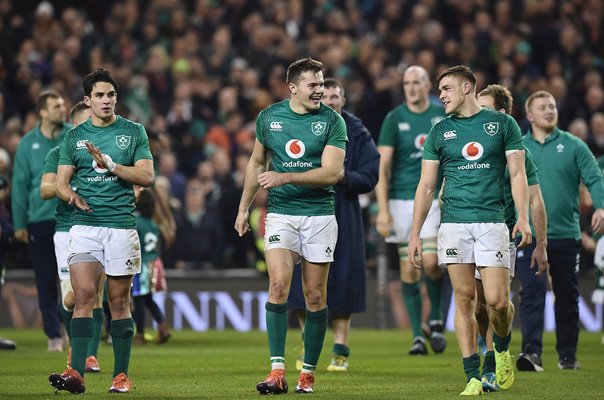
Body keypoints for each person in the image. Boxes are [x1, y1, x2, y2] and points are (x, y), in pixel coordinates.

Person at [408, 65, 531, 396]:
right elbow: (426, 185)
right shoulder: (439, 132)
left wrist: (523, 217)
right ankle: (474, 375)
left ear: (466, 88)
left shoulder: (503, 124)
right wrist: (415, 233)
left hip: (493, 221)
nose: (441, 95)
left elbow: (518, 175)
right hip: (453, 223)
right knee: (464, 300)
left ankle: (501, 349)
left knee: (497, 302)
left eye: (446, 89)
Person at [234, 58, 347, 394]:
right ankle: (277, 371)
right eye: (313, 85)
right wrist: (244, 207)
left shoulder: (332, 121)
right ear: (293, 87)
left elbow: (331, 173)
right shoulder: (269, 118)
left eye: (322, 84)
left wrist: (285, 176)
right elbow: (256, 161)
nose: (320, 91)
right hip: (282, 213)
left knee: (315, 296)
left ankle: (307, 373)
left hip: (319, 215)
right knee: (279, 286)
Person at [48, 67, 154, 394]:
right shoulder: (74, 137)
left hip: (120, 226)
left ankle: (120, 375)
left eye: (110, 95)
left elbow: (146, 177)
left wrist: (110, 166)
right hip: (84, 228)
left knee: (118, 303)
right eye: (99, 95)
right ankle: (75, 372)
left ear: (116, 98)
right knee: (82, 296)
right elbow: (61, 183)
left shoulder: (134, 132)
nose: (106, 100)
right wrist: (71, 196)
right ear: (87, 100)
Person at [288, 78, 380, 371]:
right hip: (307, 207)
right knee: (302, 278)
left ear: (343, 100)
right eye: (324, 95)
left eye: (335, 96)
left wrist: (344, 177)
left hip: (343, 210)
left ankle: (341, 347)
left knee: (344, 274)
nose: (329, 100)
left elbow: (371, 175)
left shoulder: (357, 132)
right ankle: (306, 340)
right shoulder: (302, 124)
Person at [517, 90, 604, 371]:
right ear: (529, 115)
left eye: (552, 106)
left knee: (567, 295)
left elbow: (594, 177)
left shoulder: (574, 145)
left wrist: (601, 206)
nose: (549, 110)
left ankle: (567, 355)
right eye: (542, 107)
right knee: (532, 292)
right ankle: (531, 353)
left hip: (565, 232)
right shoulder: (517, 148)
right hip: (528, 234)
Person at [473, 85, 549, 391]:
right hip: (470, 230)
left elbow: (536, 200)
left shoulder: (520, 153)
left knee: (497, 303)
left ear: (502, 115)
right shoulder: (471, 146)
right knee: (480, 308)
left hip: (502, 234)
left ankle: (494, 359)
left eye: (485, 110)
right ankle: (493, 347)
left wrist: (541, 244)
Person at [375, 65, 447, 355]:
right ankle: (418, 335)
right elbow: (383, 166)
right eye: (407, 83)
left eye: (417, 82)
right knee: (408, 268)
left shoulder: (441, 116)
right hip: (400, 201)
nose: (412, 88)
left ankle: (437, 318)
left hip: (432, 198)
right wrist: (382, 209)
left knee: (430, 262)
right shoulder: (394, 119)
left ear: (427, 84)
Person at [41, 101, 104, 373]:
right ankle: (74, 345)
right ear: (75, 125)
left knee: (97, 295)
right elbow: (45, 189)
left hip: (100, 225)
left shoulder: (104, 150)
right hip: (67, 229)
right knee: (73, 297)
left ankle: (90, 355)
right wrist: (67, 186)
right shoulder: (60, 152)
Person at [11, 90, 71, 352]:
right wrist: (19, 223)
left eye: (62, 104)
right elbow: (20, 186)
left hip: (70, 217)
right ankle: (54, 335)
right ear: (42, 112)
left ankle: (75, 330)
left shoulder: (73, 134)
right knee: (46, 279)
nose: (63, 108)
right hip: (39, 219)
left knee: (73, 279)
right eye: (56, 106)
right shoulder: (27, 144)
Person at [132, 187, 170, 345]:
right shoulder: (154, 224)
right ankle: (163, 327)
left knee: (139, 299)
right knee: (148, 299)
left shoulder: (135, 222)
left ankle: (139, 333)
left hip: (142, 264)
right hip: (155, 262)